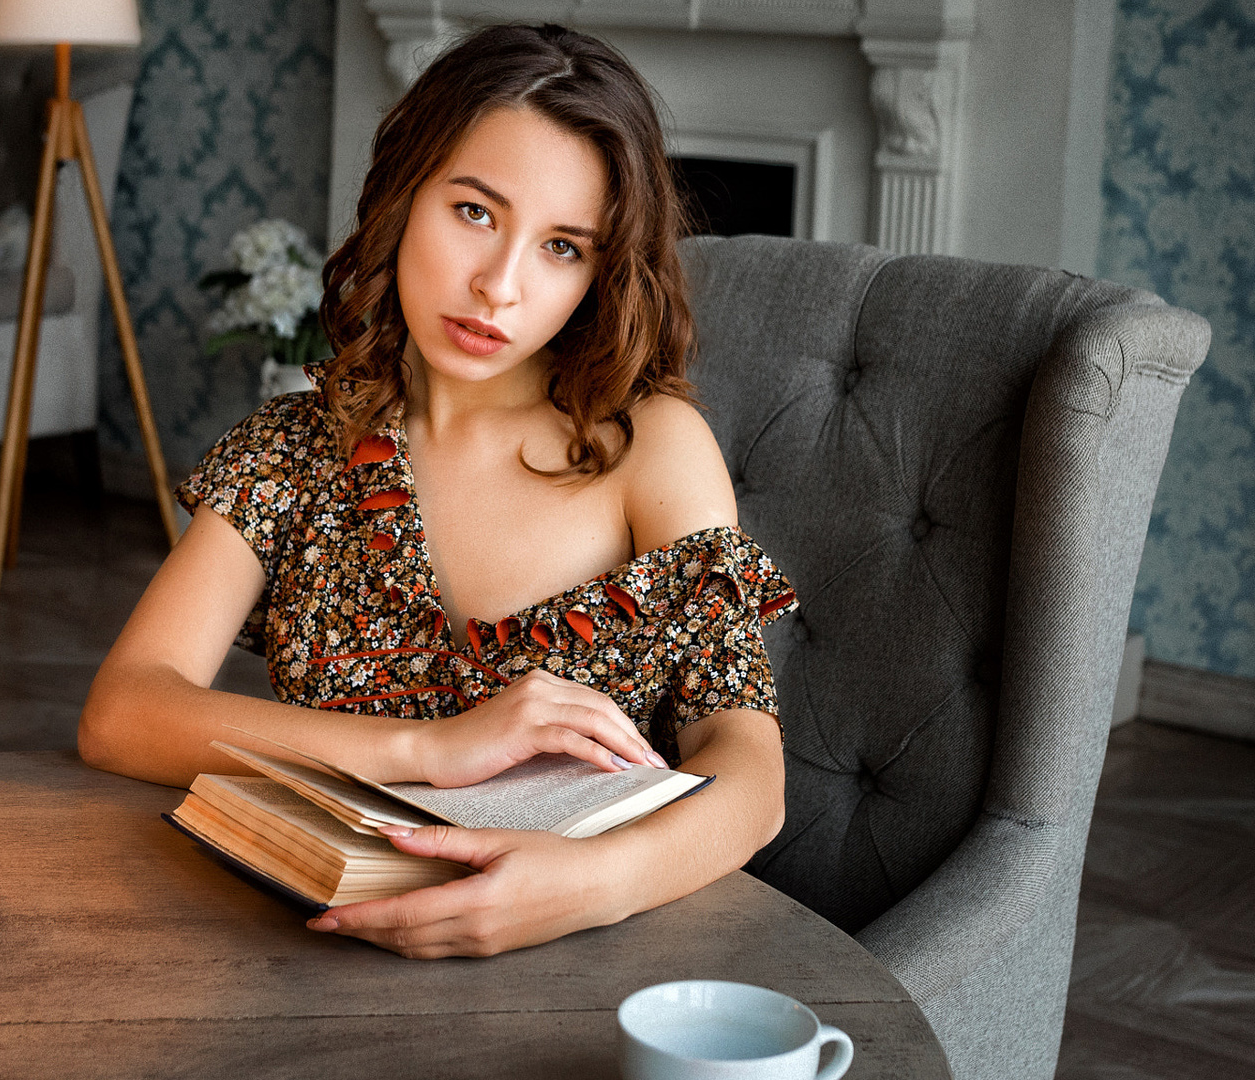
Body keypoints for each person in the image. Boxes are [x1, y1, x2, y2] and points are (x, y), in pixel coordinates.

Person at [78, 23, 795, 959]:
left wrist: (590, 886)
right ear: (404, 195)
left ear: (601, 272)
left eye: (563, 247)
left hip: (589, 948)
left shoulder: (650, 451)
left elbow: (751, 777)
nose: (500, 286)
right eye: (476, 213)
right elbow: (122, 712)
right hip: (317, 943)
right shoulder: (294, 450)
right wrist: (430, 748)